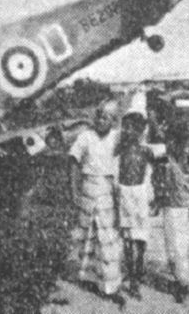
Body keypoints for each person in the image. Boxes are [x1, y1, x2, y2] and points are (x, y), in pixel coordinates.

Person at [68, 100, 125, 307]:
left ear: (113, 121)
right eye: (99, 116)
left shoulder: (117, 137)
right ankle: (87, 278)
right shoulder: (85, 137)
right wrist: (74, 191)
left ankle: (109, 286)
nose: (101, 120)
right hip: (88, 189)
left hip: (107, 191)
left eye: (107, 117)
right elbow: (73, 161)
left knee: (108, 237)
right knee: (87, 234)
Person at [152, 118, 189, 304]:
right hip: (186, 204)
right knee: (185, 244)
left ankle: (184, 284)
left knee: (177, 246)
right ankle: (187, 282)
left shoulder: (174, 155)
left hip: (177, 204)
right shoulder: (185, 155)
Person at [116, 112, 153, 300]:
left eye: (132, 127)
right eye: (125, 126)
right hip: (124, 194)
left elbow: (161, 168)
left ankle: (139, 270)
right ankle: (133, 280)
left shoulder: (146, 151)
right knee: (128, 240)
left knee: (141, 239)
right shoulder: (119, 148)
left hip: (140, 194)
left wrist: (158, 197)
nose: (127, 130)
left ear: (140, 130)